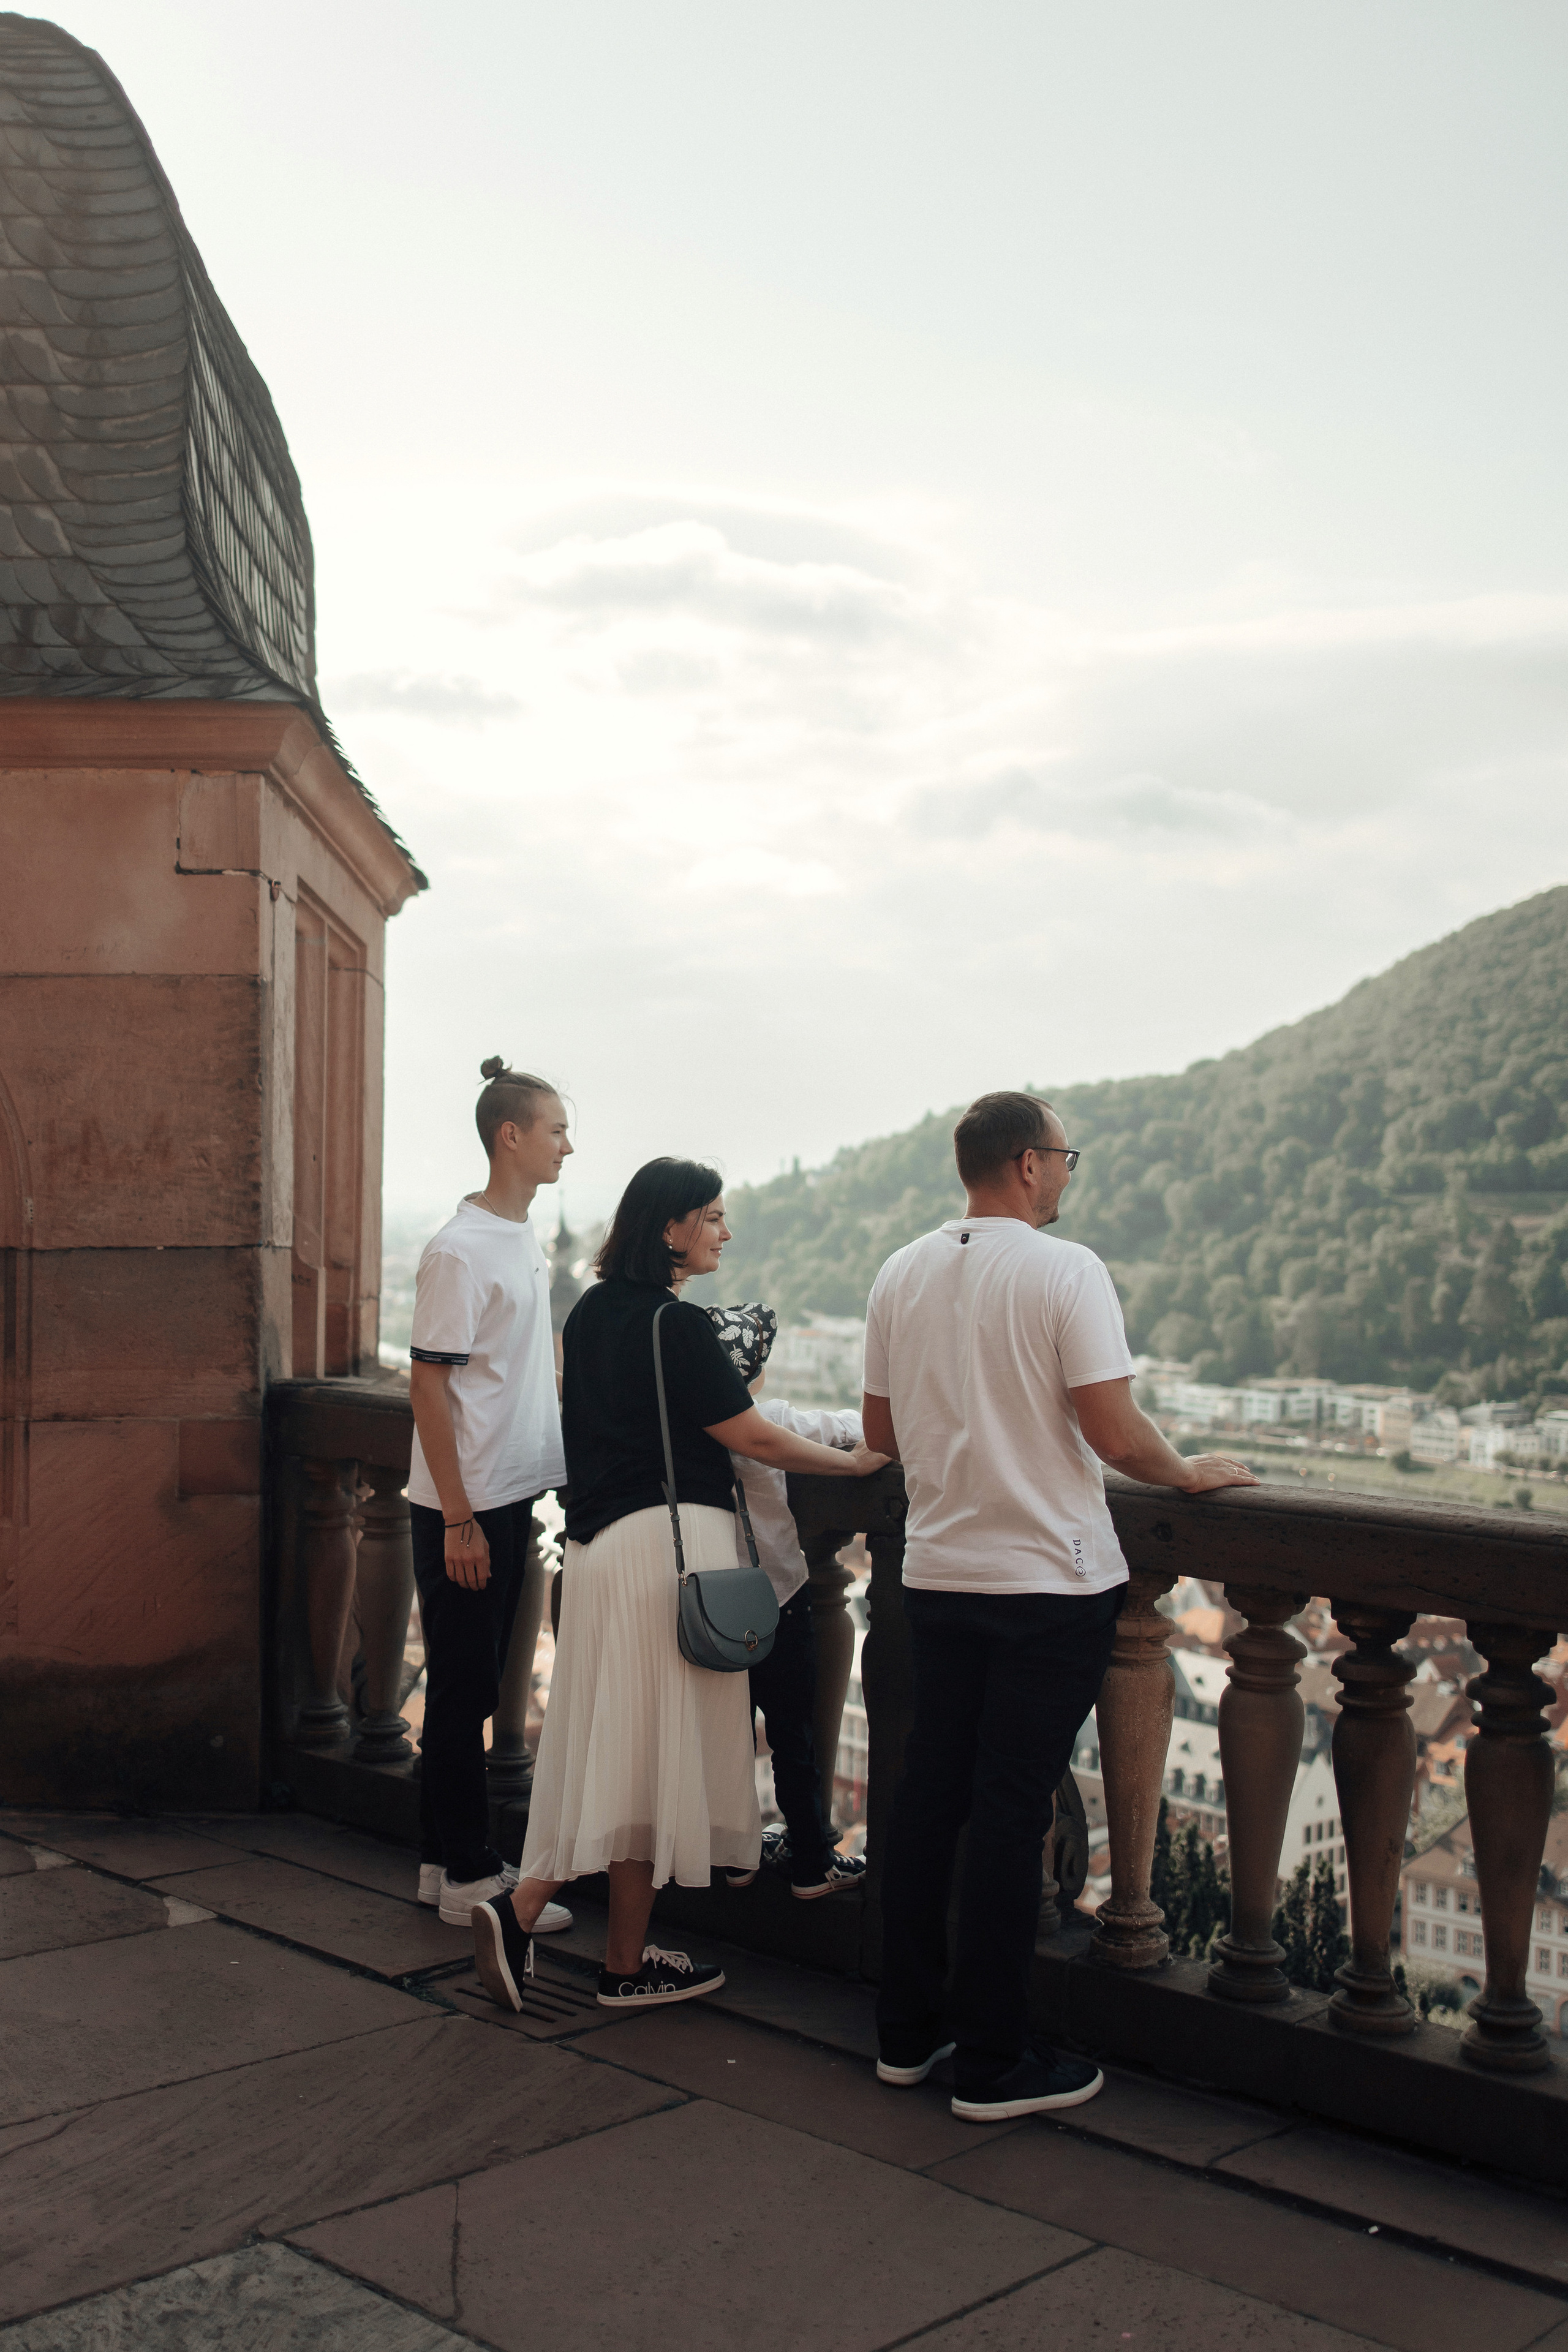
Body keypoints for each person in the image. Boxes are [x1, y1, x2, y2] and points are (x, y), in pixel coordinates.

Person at [864, 1090, 1257, 2123]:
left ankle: (907, 2035)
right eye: (1065, 1157)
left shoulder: (901, 1270)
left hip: (937, 1572)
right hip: (1045, 1580)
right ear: (1030, 1165)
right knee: (1009, 1813)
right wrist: (1189, 1474)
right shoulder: (1065, 1270)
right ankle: (994, 2061)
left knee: (927, 1799)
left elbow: (881, 1429)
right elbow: (1116, 1432)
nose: (1068, 1174)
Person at [471, 1159, 887, 2015]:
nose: (724, 1231)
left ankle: (625, 1963)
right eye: (712, 1216)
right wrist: (852, 1460)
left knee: (619, 1746)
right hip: (674, 1551)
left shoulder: (587, 1317)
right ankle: (520, 1910)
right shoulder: (680, 1328)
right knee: (655, 1753)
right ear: (670, 1229)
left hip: (595, 1553)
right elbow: (755, 1438)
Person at [406, 1058, 575, 1935]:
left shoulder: (519, 1236)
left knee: (466, 1689)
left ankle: (444, 1865)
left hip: (504, 1493)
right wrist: (460, 1517)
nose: (567, 1146)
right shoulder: (458, 1249)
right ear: (511, 1136)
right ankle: (473, 1877)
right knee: (465, 1692)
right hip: (463, 1502)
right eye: (555, 1130)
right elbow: (428, 1388)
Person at [705, 1304, 869, 1902]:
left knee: (724, 1737)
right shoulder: (767, 1419)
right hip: (779, 1599)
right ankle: (808, 1861)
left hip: (714, 1608)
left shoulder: (683, 1428)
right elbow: (844, 1429)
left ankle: (733, 1856)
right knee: (792, 1738)